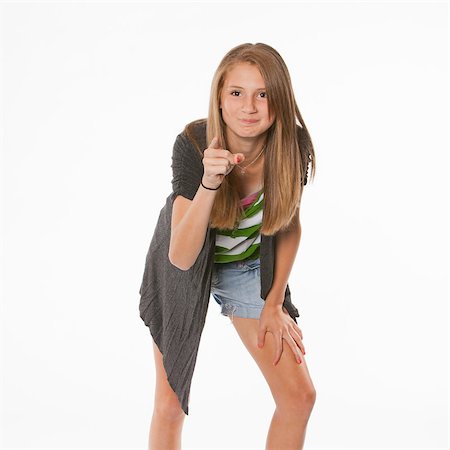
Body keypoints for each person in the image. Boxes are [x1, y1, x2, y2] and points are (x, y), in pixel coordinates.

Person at [139, 42, 317, 450]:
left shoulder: (293, 145)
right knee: (170, 404)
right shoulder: (193, 141)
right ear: (219, 97)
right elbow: (181, 256)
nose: (249, 107)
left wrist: (273, 303)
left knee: (299, 398)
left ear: (280, 98)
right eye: (236, 93)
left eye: (263, 94)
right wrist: (209, 184)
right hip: (185, 259)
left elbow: (289, 226)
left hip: (249, 266)